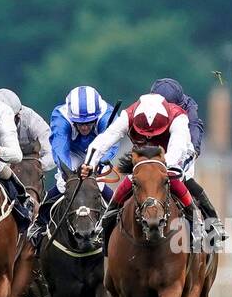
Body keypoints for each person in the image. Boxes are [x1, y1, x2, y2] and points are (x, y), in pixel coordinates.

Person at [82, 93, 197, 252]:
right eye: (145, 133)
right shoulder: (128, 115)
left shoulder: (178, 117)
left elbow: (178, 148)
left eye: (155, 133)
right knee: (123, 189)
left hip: (170, 161)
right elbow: (105, 139)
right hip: (141, 162)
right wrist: (89, 164)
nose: (149, 136)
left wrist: (160, 167)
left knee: (180, 184)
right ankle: (104, 229)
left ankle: (198, 225)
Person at [27, 85, 117, 246]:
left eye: (89, 122)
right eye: (79, 123)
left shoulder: (108, 115)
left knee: (98, 185)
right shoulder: (61, 117)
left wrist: (94, 165)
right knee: (64, 185)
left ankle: (117, 222)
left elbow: (111, 148)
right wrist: (69, 174)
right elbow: (60, 149)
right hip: (72, 153)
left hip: (98, 152)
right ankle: (39, 224)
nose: (84, 127)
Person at [148, 77, 225, 243]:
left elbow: (195, 127)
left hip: (182, 145)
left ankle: (212, 221)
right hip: (155, 147)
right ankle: (110, 218)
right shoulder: (146, 106)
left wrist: (194, 150)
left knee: (185, 179)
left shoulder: (189, 106)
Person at [0, 88, 54, 173]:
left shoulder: (31, 119)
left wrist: (38, 166)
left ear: (19, 114)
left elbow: (52, 152)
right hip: (0, 164)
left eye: (11, 117)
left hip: (30, 166)